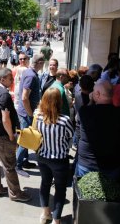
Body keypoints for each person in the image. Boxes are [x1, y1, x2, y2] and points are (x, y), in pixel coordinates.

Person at [0, 68, 31, 202]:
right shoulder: (3, 94)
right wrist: (11, 135)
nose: (12, 81)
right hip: (2, 134)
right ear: (2, 79)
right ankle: (15, 193)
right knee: (9, 165)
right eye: (10, 79)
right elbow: (5, 118)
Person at [35, 88, 73, 224]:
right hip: (59, 160)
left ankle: (45, 213)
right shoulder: (65, 120)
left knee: (45, 184)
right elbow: (70, 137)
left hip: (42, 157)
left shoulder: (38, 117)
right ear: (59, 102)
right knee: (60, 189)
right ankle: (56, 220)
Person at [76, 80, 120, 179]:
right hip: (112, 162)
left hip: (87, 162)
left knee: (82, 191)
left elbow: (79, 131)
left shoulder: (85, 111)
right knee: (110, 193)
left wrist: (91, 100)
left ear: (97, 94)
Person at [16, 54, 45, 177]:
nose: (44, 65)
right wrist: (29, 113)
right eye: (43, 62)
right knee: (25, 140)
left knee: (26, 138)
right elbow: (24, 97)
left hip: (27, 112)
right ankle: (17, 165)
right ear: (39, 62)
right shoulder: (31, 75)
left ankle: (25, 161)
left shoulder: (30, 73)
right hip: (26, 113)